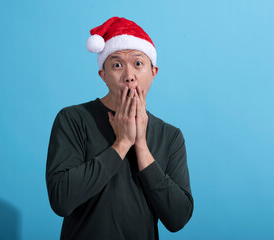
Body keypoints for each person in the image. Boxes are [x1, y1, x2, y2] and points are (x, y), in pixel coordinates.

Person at [46, 16, 194, 240]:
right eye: (116, 65)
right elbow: (61, 201)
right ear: (103, 75)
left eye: (138, 64)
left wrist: (141, 146)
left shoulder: (170, 136)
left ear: (153, 73)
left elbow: (178, 218)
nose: (129, 76)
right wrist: (122, 143)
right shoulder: (73, 119)